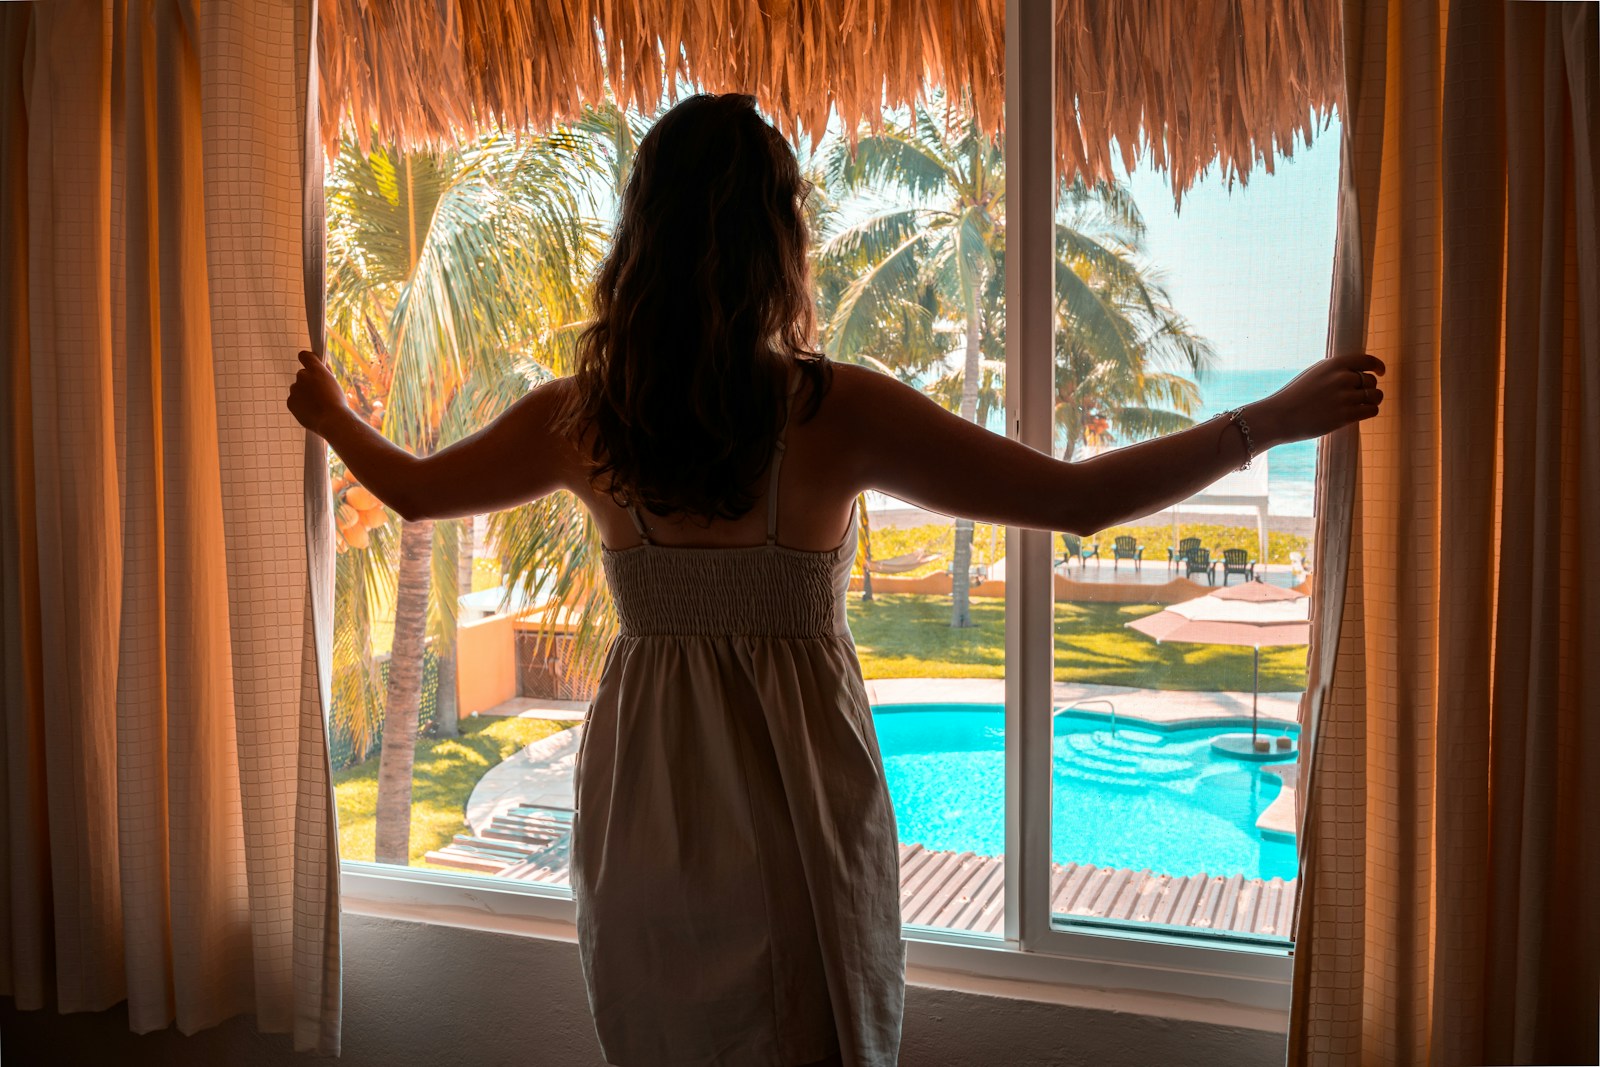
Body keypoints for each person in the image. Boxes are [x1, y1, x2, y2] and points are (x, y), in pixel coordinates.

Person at [287, 93, 1384, 1067]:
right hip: (797, 801)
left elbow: (419, 493)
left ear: (641, 242)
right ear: (777, 244)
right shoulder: (832, 411)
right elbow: (1075, 501)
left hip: (649, 810)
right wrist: (1267, 422)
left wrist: (334, 413)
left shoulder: (582, 418)